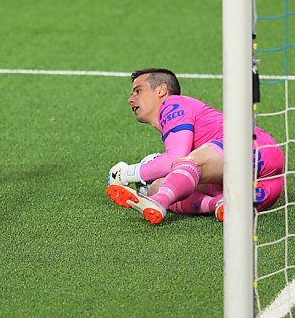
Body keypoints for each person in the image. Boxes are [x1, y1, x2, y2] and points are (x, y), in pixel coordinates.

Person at [107, 68, 285, 224]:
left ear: (161, 90)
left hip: (254, 147)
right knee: (158, 186)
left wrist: (125, 173)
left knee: (182, 165)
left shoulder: (173, 103)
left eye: (138, 91)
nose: (131, 99)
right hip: (262, 190)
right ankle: (218, 203)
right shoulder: (177, 126)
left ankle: (159, 201)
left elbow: (174, 157)